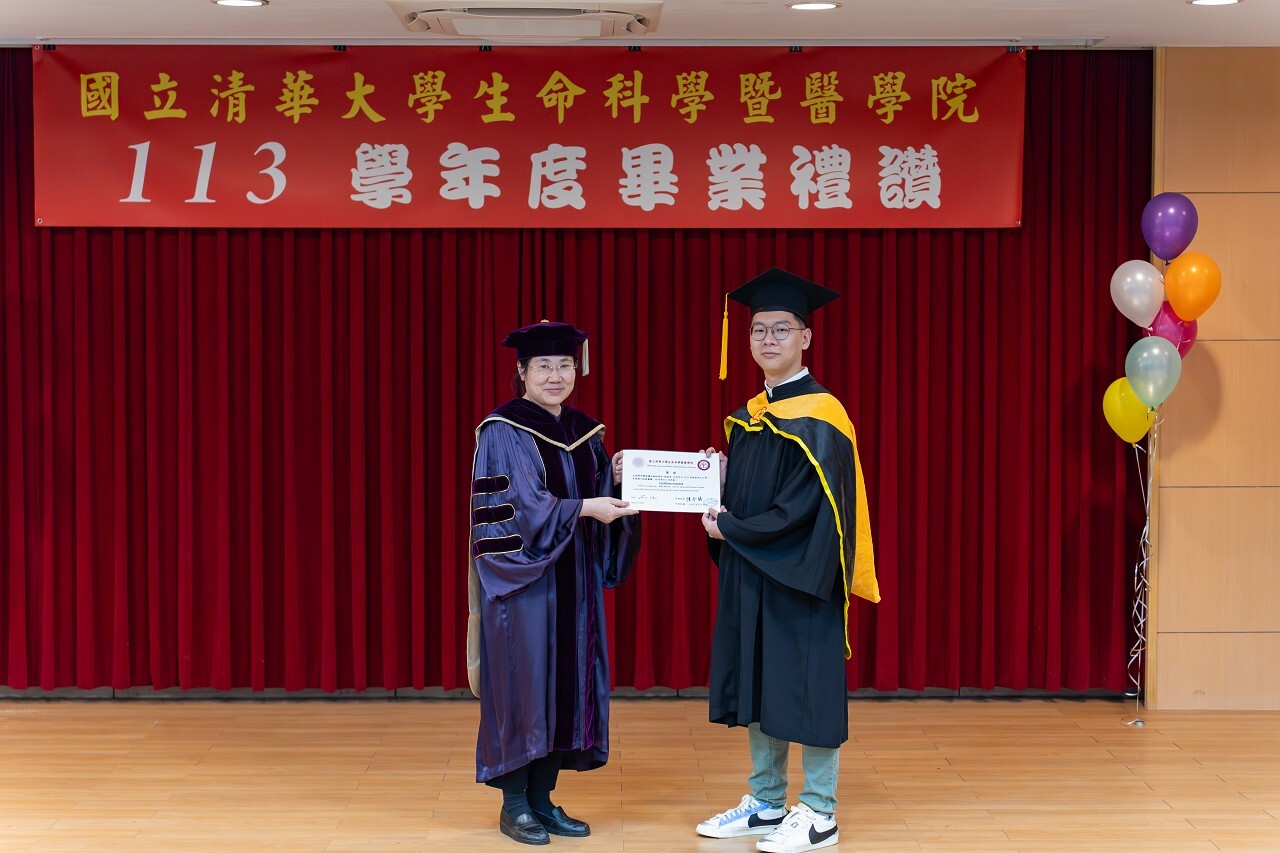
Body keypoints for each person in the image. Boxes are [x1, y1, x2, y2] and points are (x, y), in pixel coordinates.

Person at [696, 268, 880, 853]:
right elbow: (752, 496)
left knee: (808, 686)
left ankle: (820, 811)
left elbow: (803, 508)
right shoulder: (752, 415)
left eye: (781, 329)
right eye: (758, 330)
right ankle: (767, 802)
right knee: (761, 681)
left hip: (803, 574)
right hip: (757, 569)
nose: (768, 339)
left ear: (806, 338)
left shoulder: (823, 415)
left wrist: (731, 527)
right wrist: (718, 481)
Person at [467, 320, 641, 846]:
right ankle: (514, 805)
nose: (556, 376)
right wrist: (586, 507)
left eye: (565, 365)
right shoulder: (503, 429)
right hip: (524, 584)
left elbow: (594, 491)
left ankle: (543, 800)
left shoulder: (585, 431)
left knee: (566, 687)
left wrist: (618, 477)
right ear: (522, 372)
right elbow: (522, 505)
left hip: (575, 582)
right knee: (524, 688)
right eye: (543, 366)